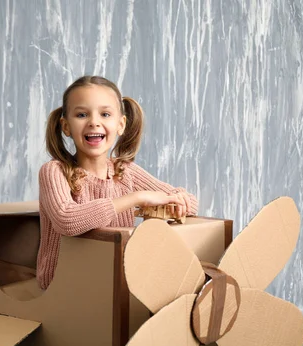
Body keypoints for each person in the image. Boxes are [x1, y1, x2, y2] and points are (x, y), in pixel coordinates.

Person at [36, 75, 198, 290]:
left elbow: (189, 204)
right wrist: (136, 198)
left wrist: (179, 200)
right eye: (82, 114)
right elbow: (67, 221)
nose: (94, 121)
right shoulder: (54, 171)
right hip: (64, 284)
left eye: (105, 114)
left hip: (114, 281)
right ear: (66, 126)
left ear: (120, 125)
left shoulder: (125, 172)